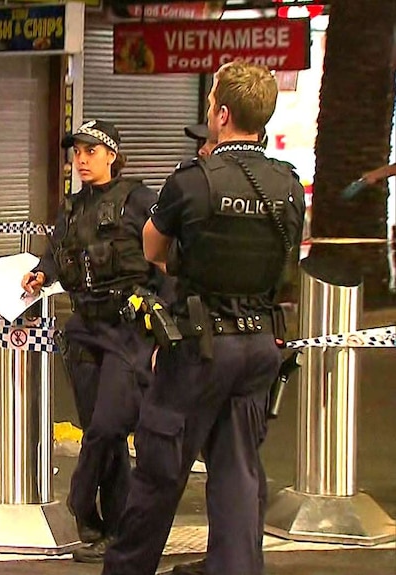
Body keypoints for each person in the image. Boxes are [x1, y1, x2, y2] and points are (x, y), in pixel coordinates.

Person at [101, 61, 304, 575]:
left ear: (222, 113)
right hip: (259, 345)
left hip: (198, 347)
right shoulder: (288, 184)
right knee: (238, 474)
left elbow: (153, 247)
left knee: (159, 471)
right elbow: (286, 263)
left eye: (211, 99)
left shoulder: (193, 181)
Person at [21, 120, 165, 563]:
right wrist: (42, 272)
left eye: (90, 151)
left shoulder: (140, 199)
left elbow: (169, 254)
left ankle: (80, 505)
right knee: (102, 434)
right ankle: (110, 530)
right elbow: (59, 252)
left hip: (127, 329)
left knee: (108, 426)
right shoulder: (72, 207)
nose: (81, 159)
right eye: (76, 152)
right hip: (84, 329)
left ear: (112, 155)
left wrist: (166, 322)